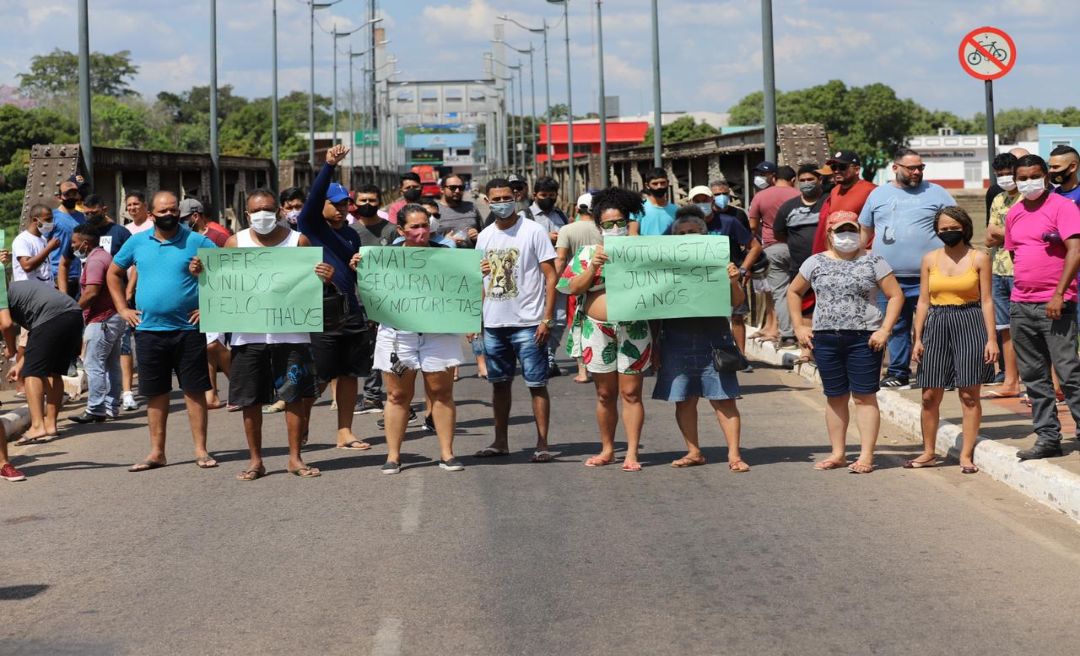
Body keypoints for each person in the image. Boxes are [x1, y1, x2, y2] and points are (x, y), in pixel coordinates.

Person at [191, 190, 331, 480]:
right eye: (256, 211)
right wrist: (202, 273)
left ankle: (295, 458)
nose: (263, 215)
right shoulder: (235, 242)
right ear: (246, 214)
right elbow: (221, 282)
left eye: (268, 209)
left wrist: (323, 275)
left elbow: (313, 281)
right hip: (247, 335)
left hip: (292, 334)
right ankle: (256, 461)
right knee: (250, 400)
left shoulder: (298, 241)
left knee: (294, 396)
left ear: (278, 211)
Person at [106, 190, 219, 472]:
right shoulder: (137, 242)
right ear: (151, 213)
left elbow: (225, 272)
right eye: (163, 211)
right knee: (155, 392)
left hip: (188, 329)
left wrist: (210, 304)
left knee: (194, 391)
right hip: (148, 331)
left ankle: (201, 450)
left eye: (173, 210)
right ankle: (157, 452)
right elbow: (113, 272)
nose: (168, 214)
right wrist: (122, 309)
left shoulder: (196, 241)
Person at [350, 204, 466, 474]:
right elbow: (370, 289)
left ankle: (447, 453)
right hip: (398, 334)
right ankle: (393, 455)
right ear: (401, 230)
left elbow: (462, 289)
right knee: (397, 394)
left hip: (438, 333)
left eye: (425, 224)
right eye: (414, 226)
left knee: (441, 392)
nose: (422, 231)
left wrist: (476, 273)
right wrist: (359, 266)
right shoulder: (384, 257)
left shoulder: (447, 255)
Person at [787, 211, 904, 473]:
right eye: (841, 231)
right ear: (829, 234)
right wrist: (799, 326)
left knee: (864, 397)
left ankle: (865, 456)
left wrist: (885, 329)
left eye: (852, 230)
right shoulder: (814, 262)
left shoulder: (874, 261)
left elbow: (895, 295)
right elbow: (794, 291)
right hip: (826, 337)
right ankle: (838, 453)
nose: (847, 236)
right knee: (835, 396)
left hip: (865, 338)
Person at [559, 187, 653, 471]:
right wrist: (593, 269)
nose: (615, 228)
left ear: (628, 222)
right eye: (608, 224)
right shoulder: (588, 254)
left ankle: (632, 453)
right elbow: (569, 287)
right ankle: (608, 449)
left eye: (619, 222)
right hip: (596, 329)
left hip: (633, 328)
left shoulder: (642, 251)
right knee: (604, 394)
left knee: (631, 393)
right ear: (599, 227)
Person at [652, 213, 750, 472]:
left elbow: (736, 302)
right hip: (675, 339)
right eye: (681, 234)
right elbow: (650, 308)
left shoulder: (720, 264)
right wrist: (654, 346)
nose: (687, 237)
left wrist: (733, 279)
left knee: (724, 398)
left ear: (705, 236)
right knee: (684, 399)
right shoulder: (663, 267)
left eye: (693, 231)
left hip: (714, 338)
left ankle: (734, 455)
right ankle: (693, 451)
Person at [296, 144, 374, 451]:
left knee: (349, 373)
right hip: (320, 311)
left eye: (346, 204)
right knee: (318, 376)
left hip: (350, 311)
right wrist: (328, 165)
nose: (342, 209)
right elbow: (314, 197)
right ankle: (300, 426)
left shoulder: (353, 234)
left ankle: (345, 431)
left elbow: (356, 274)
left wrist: (358, 266)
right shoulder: (311, 226)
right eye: (336, 203)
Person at [475, 177, 558, 462]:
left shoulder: (534, 231)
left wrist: (547, 318)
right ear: (487, 201)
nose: (501, 203)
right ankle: (500, 442)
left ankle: (542, 443)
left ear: (517, 196)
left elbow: (551, 276)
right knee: (499, 384)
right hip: (494, 325)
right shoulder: (484, 236)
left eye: (505, 197)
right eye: (495, 199)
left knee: (536, 384)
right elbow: (478, 281)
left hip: (529, 324)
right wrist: (476, 320)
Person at [859, 149, 956, 388]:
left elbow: (956, 223)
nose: (916, 172)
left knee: (933, 326)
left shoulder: (936, 193)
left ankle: (937, 371)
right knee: (896, 325)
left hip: (930, 276)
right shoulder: (878, 195)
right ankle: (898, 371)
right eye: (911, 168)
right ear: (895, 168)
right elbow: (865, 232)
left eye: (920, 168)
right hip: (888, 276)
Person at [1004, 154, 1080, 460]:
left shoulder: (1063, 207)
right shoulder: (1014, 213)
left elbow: (1075, 251)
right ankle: (1048, 437)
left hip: (1056, 305)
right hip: (1022, 305)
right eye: (1022, 178)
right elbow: (1015, 255)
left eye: (1034, 176)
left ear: (1046, 176)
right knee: (1034, 376)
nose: (1027, 183)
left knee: (1068, 372)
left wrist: (1059, 293)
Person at [910, 207, 996, 473]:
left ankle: (966, 455)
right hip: (936, 323)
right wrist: (918, 338)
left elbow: (987, 301)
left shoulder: (979, 258)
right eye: (943, 229)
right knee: (928, 395)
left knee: (969, 394)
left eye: (953, 228)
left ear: (965, 227)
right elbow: (923, 301)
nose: (948, 233)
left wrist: (991, 339)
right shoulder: (929, 259)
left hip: (970, 322)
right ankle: (928, 452)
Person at [3, 281, 83, 444]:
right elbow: (37, 337)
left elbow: (6, 325)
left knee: (32, 373)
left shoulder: (2, 295)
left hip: (52, 318)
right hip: (73, 315)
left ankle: (38, 426)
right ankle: (51, 425)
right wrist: (19, 364)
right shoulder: (19, 291)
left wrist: (11, 349)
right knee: (54, 371)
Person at [689, 187, 762, 358]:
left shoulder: (729, 222)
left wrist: (743, 269)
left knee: (737, 316)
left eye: (705, 200)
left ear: (712, 201)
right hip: (700, 282)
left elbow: (755, 246)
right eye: (697, 201)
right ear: (690, 203)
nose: (702, 204)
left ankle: (742, 356)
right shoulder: (685, 225)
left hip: (730, 279)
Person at [349, 183, 398, 416]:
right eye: (363, 201)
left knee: (390, 349)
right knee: (367, 349)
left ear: (380, 202)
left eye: (372, 200)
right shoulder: (350, 232)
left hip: (388, 300)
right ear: (355, 204)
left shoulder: (391, 230)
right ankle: (370, 396)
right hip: (359, 300)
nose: (367, 205)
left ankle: (389, 397)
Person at [69, 224, 126, 424]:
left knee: (94, 364)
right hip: (113, 317)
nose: (72, 246)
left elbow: (92, 292)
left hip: (101, 319)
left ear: (85, 243)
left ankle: (95, 408)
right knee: (111, 364)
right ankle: (110, 407)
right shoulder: (104, 256)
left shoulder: (94, 261)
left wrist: (72, 310)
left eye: (74, 242)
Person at [983, 152, 1023, 397]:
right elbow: (989, 235)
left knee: (1029, 329)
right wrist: (1012, 231)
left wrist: (1006, 232)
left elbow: (1026, 233)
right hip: (998, 269)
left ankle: (1045, 384)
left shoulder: (1030, 198)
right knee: (1005, 328)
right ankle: (1011, 382)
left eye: (1009, 173)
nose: (1006, 178)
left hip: (1021, 270)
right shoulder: (998, 198)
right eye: (1001, 175)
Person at [748, 161, 800, 347]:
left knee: (780, 293)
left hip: (773, 248)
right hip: (798, 248)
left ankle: (787, 335)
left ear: (774, 178)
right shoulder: (799, 195)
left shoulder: (761, 196)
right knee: (802, 291)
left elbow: (752, 226)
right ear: (793, 180)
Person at [524, 176, 570, 376]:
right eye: (544, 195)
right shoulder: (524, 215)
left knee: (559, 319)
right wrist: (544, 237)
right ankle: (536, 356)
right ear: (534, 195)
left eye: (552, 195)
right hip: (535, 277)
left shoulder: (561, 215)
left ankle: (549, 356)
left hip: (560, 276)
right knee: (536, 319)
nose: (548, 199)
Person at [555, 192, 600, 383]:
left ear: (577, 209)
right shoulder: (602, 229)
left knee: (577, 324)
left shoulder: (567, 229)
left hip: (576, 282)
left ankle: (583, 370)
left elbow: (561, 258)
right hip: (600, 282)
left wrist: (555, 283)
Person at [120, 190, 152, 412]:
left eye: (136, 204)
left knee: (147, 338)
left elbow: (142, 263)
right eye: (128, 205)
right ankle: (128, 390)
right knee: (126, 341)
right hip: (127, 291)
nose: (132, 208)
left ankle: (151, 383)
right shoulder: (126, 230)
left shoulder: (152, 227)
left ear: (145, 205)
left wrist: (131, 287)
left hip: (145, 290)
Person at [811, 151, 877, 254]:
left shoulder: (871, 190)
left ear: (857, 170)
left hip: (861, 253)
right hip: (837, 253)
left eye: (842, 167)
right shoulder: (834, 191)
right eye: (834, 167)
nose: (836, 171)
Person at [51, 179, 86, 299]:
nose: (71, 197)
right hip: (57, 274)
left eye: (74, 194)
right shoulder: (52, 217)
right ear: (59, 197)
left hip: (79, 274)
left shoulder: (82, 217)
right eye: (67, 194)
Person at [12, 204, 58, 284]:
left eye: (51, 219)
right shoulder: (22, 240)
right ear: (35, 220)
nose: (51, 223)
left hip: (45, 290)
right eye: (47, 219)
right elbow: (27, 266)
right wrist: (49, 248)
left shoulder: (43, 239)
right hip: (30, 292)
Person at [629, 167, 678, 236]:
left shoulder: (676, 210)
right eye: (655, 184)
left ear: (668, 183)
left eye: (662, 183)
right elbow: (633, 233)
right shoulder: (638, 208)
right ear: (647, 185)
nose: (659, 186)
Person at [436, 174, 482, 248]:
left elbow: (483, 233)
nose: (457, 191)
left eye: (461, 188)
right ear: (442, 189)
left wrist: (477, 236)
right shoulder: (434, 209)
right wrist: (444, 241)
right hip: (444, 256)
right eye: (452, 187)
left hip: (470, 256)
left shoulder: (471, 207)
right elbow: (427, 239)